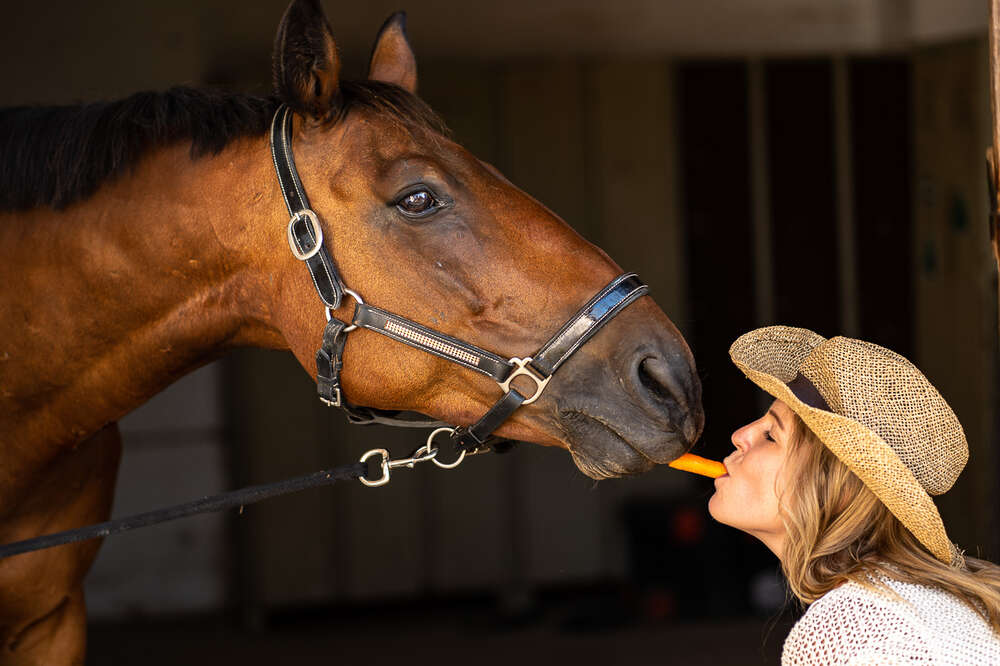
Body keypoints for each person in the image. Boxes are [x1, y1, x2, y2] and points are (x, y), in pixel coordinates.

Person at [709, 325, 1000, 664]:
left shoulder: (852, 628)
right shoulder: (934, 605)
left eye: (772, 436)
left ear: (838, 490)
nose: (739, 435)